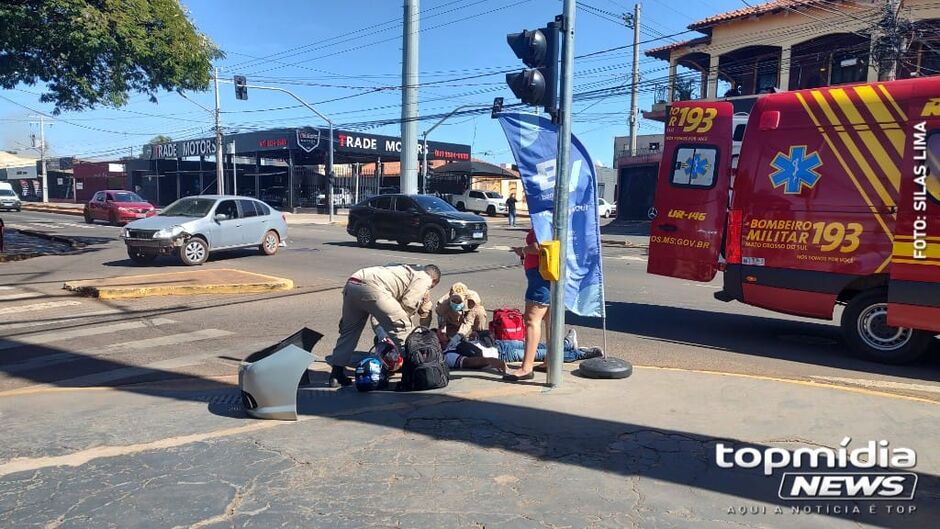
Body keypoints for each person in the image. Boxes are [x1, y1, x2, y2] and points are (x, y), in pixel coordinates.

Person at [328, 264, 441, 387]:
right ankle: (410, 378)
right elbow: (409, 303)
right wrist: (403, 325)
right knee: (403, 329)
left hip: (353, 283)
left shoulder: (404, 272)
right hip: (372, 287)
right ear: (434, 280)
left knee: (349, 332)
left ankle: (336, 375)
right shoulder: (424, 277)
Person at [439, 329, 602, 371]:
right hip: (504, 354)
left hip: (500, 345)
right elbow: (470, 361)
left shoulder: (451, 342)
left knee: (537, 344)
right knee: (542, 354)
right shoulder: (448, 356)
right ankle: (581, 353)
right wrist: (494, 362)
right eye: (438, 335)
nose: (442, 334)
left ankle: (566, 343)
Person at [506, 228, 551, 381]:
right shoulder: (556, 216)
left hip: (540, 275)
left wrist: (523, 250)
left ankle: (527, 367)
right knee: (549, 319)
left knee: (532, 320)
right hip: (548, 273)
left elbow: (539, 246)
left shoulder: (543, 218)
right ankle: (550, 361)